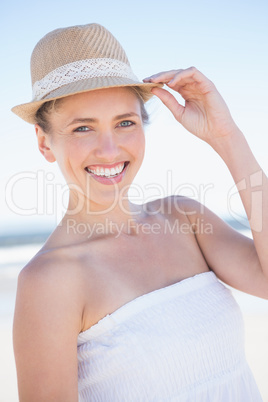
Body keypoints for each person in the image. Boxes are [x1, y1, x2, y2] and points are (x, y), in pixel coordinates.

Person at [12, 23, 267, 402]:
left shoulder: (185, 218)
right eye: (83, 128)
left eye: (125, 122)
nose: (110, 149)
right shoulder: (49, 282)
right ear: (44, 142)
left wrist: (227, 138)